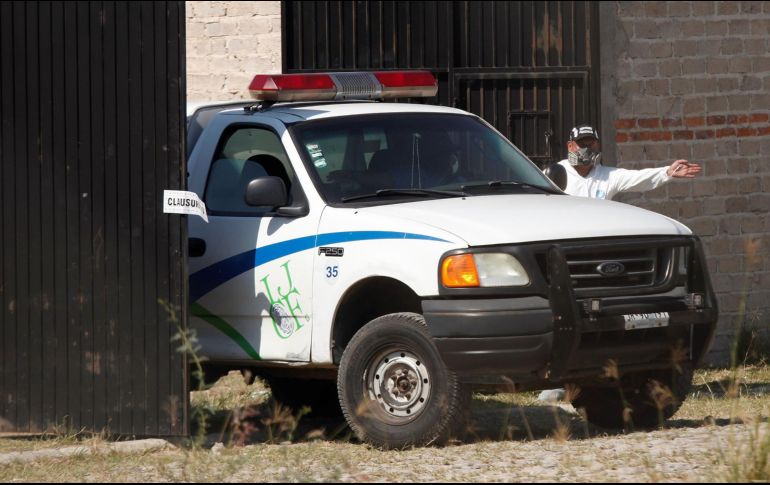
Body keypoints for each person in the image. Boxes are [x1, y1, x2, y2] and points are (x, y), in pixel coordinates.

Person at [557, 124, 701, 199]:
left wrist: (667, 172)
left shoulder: (607, 176)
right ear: (570, 146)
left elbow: (638, 178)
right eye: (582, 144)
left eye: (591, 144)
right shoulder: (556, 173)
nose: (587, 149)